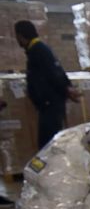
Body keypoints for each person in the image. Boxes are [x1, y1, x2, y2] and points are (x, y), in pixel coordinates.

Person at [15, 20, 77, 151]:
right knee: (47, 143)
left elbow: (55, 71)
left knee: (47, 145)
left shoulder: (39, 50)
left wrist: (67, 88)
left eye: (17, 37)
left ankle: (52, 170)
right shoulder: (35, 50)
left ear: (20, 36)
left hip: (51, 105)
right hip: (47, 105)